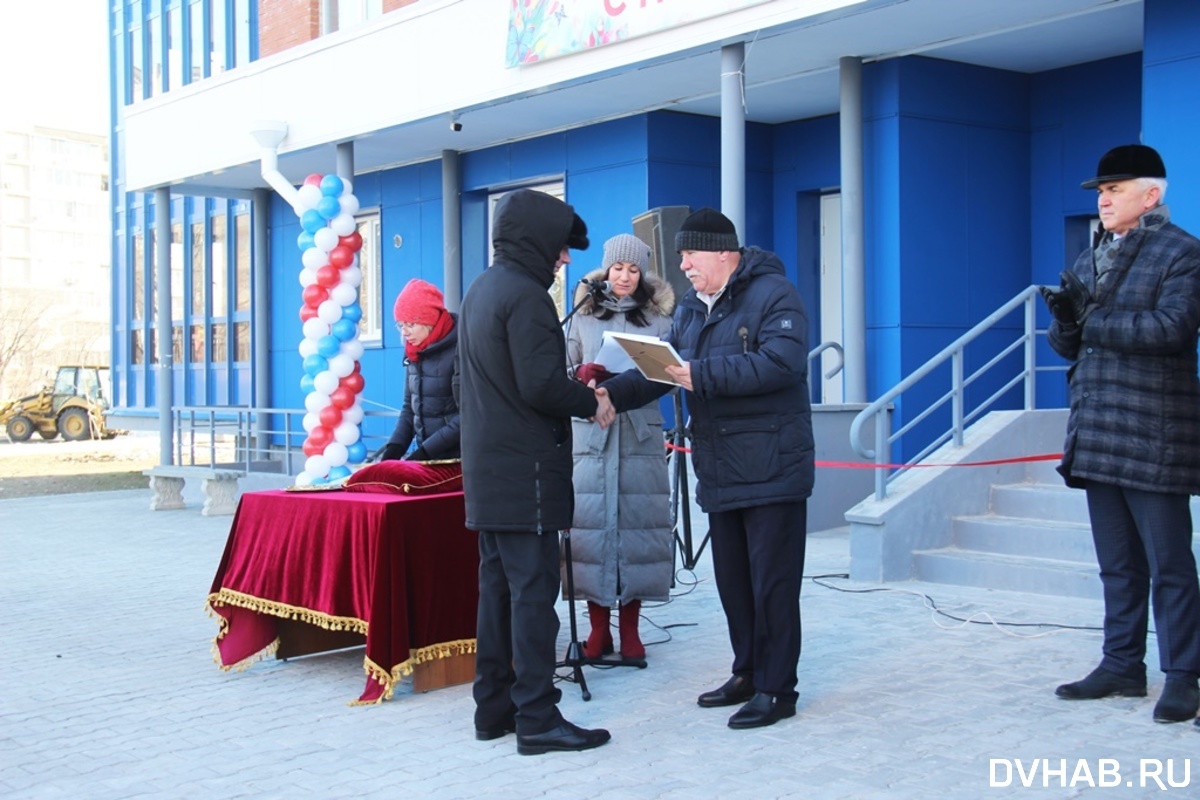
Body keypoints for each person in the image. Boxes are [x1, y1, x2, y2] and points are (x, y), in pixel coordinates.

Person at [600, 207, 814, 729]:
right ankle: (747, 671)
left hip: (772, 468)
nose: (685, 267)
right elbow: (666, 370)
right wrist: (608, 393)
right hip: (721, 469)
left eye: (690, 256)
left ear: (724, 253)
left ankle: (777, 689)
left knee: (772, 585)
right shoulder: (695, 308)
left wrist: (702, 375)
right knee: (734, 583)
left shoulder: (775, 294)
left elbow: (782, 363)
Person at [1041, 144, 1200, 726]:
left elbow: (1171, 328)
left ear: (1150, 195)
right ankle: (1122, 664)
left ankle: (1184, 675)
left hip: (1155, 430)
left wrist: (1090, 321)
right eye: (1100, 192)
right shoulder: (1091, 257)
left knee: (1170, 564)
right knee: (1117, 564)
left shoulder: (1183, 253)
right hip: (1098, 427)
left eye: (1116, 188)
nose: (1104, 199)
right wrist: (1063, 321)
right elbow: (1069, 346)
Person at [455, 188, 616, 755]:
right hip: (528, 475)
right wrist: (590, 400)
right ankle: (538, 717)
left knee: (495, 593)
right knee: (533, 596)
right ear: (535, 242)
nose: (565, 259)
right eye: (559, 248)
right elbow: (541, 385)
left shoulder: (480, 290)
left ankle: (492, 709)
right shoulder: (526, 298)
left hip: (489, 472)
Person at [564, 233, 675, 661]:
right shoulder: (583, 315)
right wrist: (583, 374)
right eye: (618, 268)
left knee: (637, 530)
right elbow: (563, 366)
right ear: (606, 270)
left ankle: (630, 631)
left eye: (633, 269)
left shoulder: (659, 319)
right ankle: (597, 631)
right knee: (589, 529)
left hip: (639, 433)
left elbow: (669, 375)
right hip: (590, 434)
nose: (625, 276)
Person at [377, 279, 460, 462]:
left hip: (458, 460)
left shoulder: (461, 349)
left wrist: (424, 453)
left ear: (429, 320)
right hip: (427, 456)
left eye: (411, 325)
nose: (404, 332)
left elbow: (468, 415)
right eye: (401, 325)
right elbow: (409, 408)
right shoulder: (414, 352)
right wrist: (393, 450)